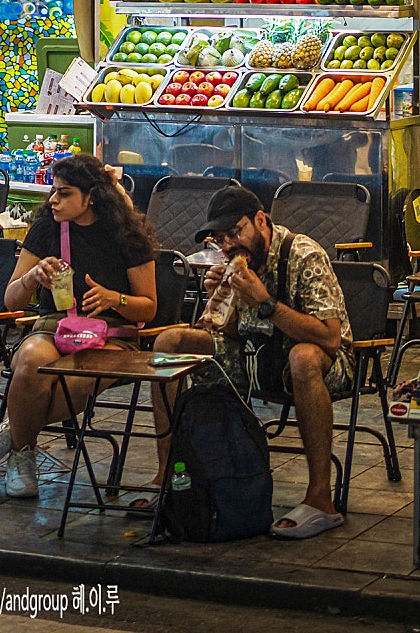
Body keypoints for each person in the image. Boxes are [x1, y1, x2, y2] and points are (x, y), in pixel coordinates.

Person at [149, 181, 351, 540]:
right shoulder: (233, 264)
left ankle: (321, 498)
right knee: (170, 342)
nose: (229, 245)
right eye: (220, 239)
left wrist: (264, 303)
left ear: (261, 220)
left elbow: (329, 337)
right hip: (252, 357)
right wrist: (221, 298)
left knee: (302, 357)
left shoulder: (303, 254)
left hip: (321, 362)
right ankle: (170, 477)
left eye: (235, 233)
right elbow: (219, 334)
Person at [0, 151, 158, 500]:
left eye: (65, 193)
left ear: (91, 197)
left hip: (113, 337)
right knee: (29, 361)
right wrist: (31, 277)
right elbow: (11, 301)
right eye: (53, 191)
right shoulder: (46, 228)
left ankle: (15, 431)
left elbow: (148, 305)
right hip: (55, 327)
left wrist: (113, 299)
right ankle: (23, 457)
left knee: (75, 380)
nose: (54, 200)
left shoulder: (126, 234)